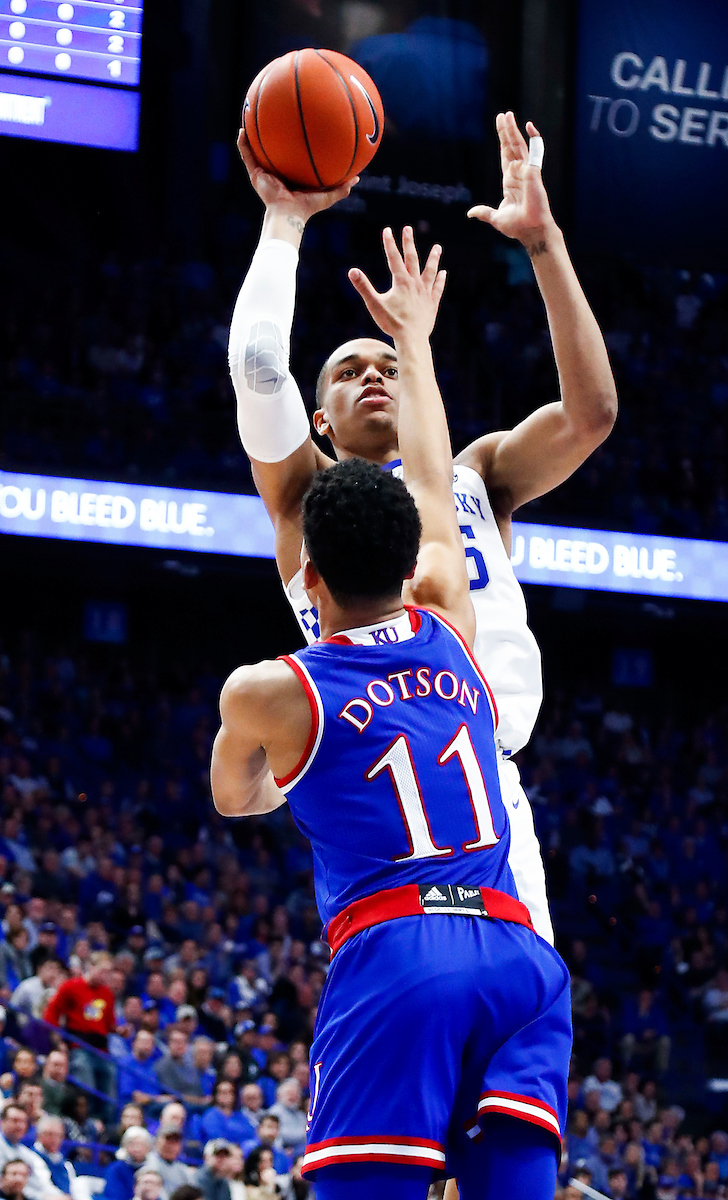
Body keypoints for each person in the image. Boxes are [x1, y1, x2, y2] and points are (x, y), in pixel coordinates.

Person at [212, 226, 572, 1197]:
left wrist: (282, 219)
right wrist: (414, 340)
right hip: (509, 921)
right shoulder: (448, 608)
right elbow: (429, 482)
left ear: (310, 576)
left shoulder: (273, 685)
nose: (368, 378)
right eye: (346, 370)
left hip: (397, 927)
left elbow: (255, 369)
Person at [229, 111, 617, 949]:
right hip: (370, 771)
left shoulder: (476, 474)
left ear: (419, 386)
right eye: (347, 371)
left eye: (388, 364)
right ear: (321, 420)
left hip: (485, 775)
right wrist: (284, 221)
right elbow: (258, 371)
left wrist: (544, 243)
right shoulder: (307, 500)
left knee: (497, 1021)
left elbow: (592, 415)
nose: (372, 375)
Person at [42, 951, 117, 1109]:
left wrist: (121, 1030)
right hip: (79, 1045)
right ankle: (85, 1114)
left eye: (109, 972)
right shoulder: (71, 986)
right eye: (103, 971)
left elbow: (110, 1023)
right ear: (90, 967)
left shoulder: (107, 993)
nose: (106, 976)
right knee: (85, 1080)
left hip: (101, 1048)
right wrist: (57, 1038)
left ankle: (104, 1118)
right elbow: (52, 1011)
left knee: (110, 1079)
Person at [0, 1106, 58, 1200]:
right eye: (15, 1121)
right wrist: (42, 1198)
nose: (20, 1126)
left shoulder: (28, 1155)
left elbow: (42, 1183)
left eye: (23, 1122)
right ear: (2, 1122)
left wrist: (57, 1197)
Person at [153, 1031, 204, 1109]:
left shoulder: (191, 1065)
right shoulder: (163, 1066)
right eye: (176, 1042)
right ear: (169, 1044)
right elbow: (173, 1094)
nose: (180, 1045)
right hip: (176, 1106)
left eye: (183, 1042)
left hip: (195, 1104)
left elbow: (197, 1088)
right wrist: (198, 1101)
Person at [200, 1082, 255, 1149]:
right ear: (216, 1095)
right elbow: (215, 1137)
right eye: (223, 1092)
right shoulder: (211, 1115)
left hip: (242, 1150)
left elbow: (251, 1133)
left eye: (230, 1092)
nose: (227, 1095)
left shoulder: (240, 1115)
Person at [141, 1127, 193, 1198]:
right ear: (157, 1142)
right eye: (168, 1141)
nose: (171, 1146)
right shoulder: (148, 1162)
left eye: (175, 1142)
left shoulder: (181, 1168)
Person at [104, 1127, 153, 1200]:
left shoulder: (151, 1170)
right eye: (132, 1144)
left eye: (142, 1145)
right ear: (125, 1146)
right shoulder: (116, 1169)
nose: (137, 1148)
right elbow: (114, 1195)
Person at [31, 1117, 76, 1197]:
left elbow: (74, 1188)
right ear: (39, 1135)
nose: (54, 1139)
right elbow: (44, 1186)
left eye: (58, 1135)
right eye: (49, 1134)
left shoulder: (66, 1164)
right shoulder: (31, 1157)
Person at [39, 1054, 70, 1120]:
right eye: (56, 1065)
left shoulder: (71, 1091)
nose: (58, 1069)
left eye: (62, 1065)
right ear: (47, 1066)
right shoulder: (38, 1085)